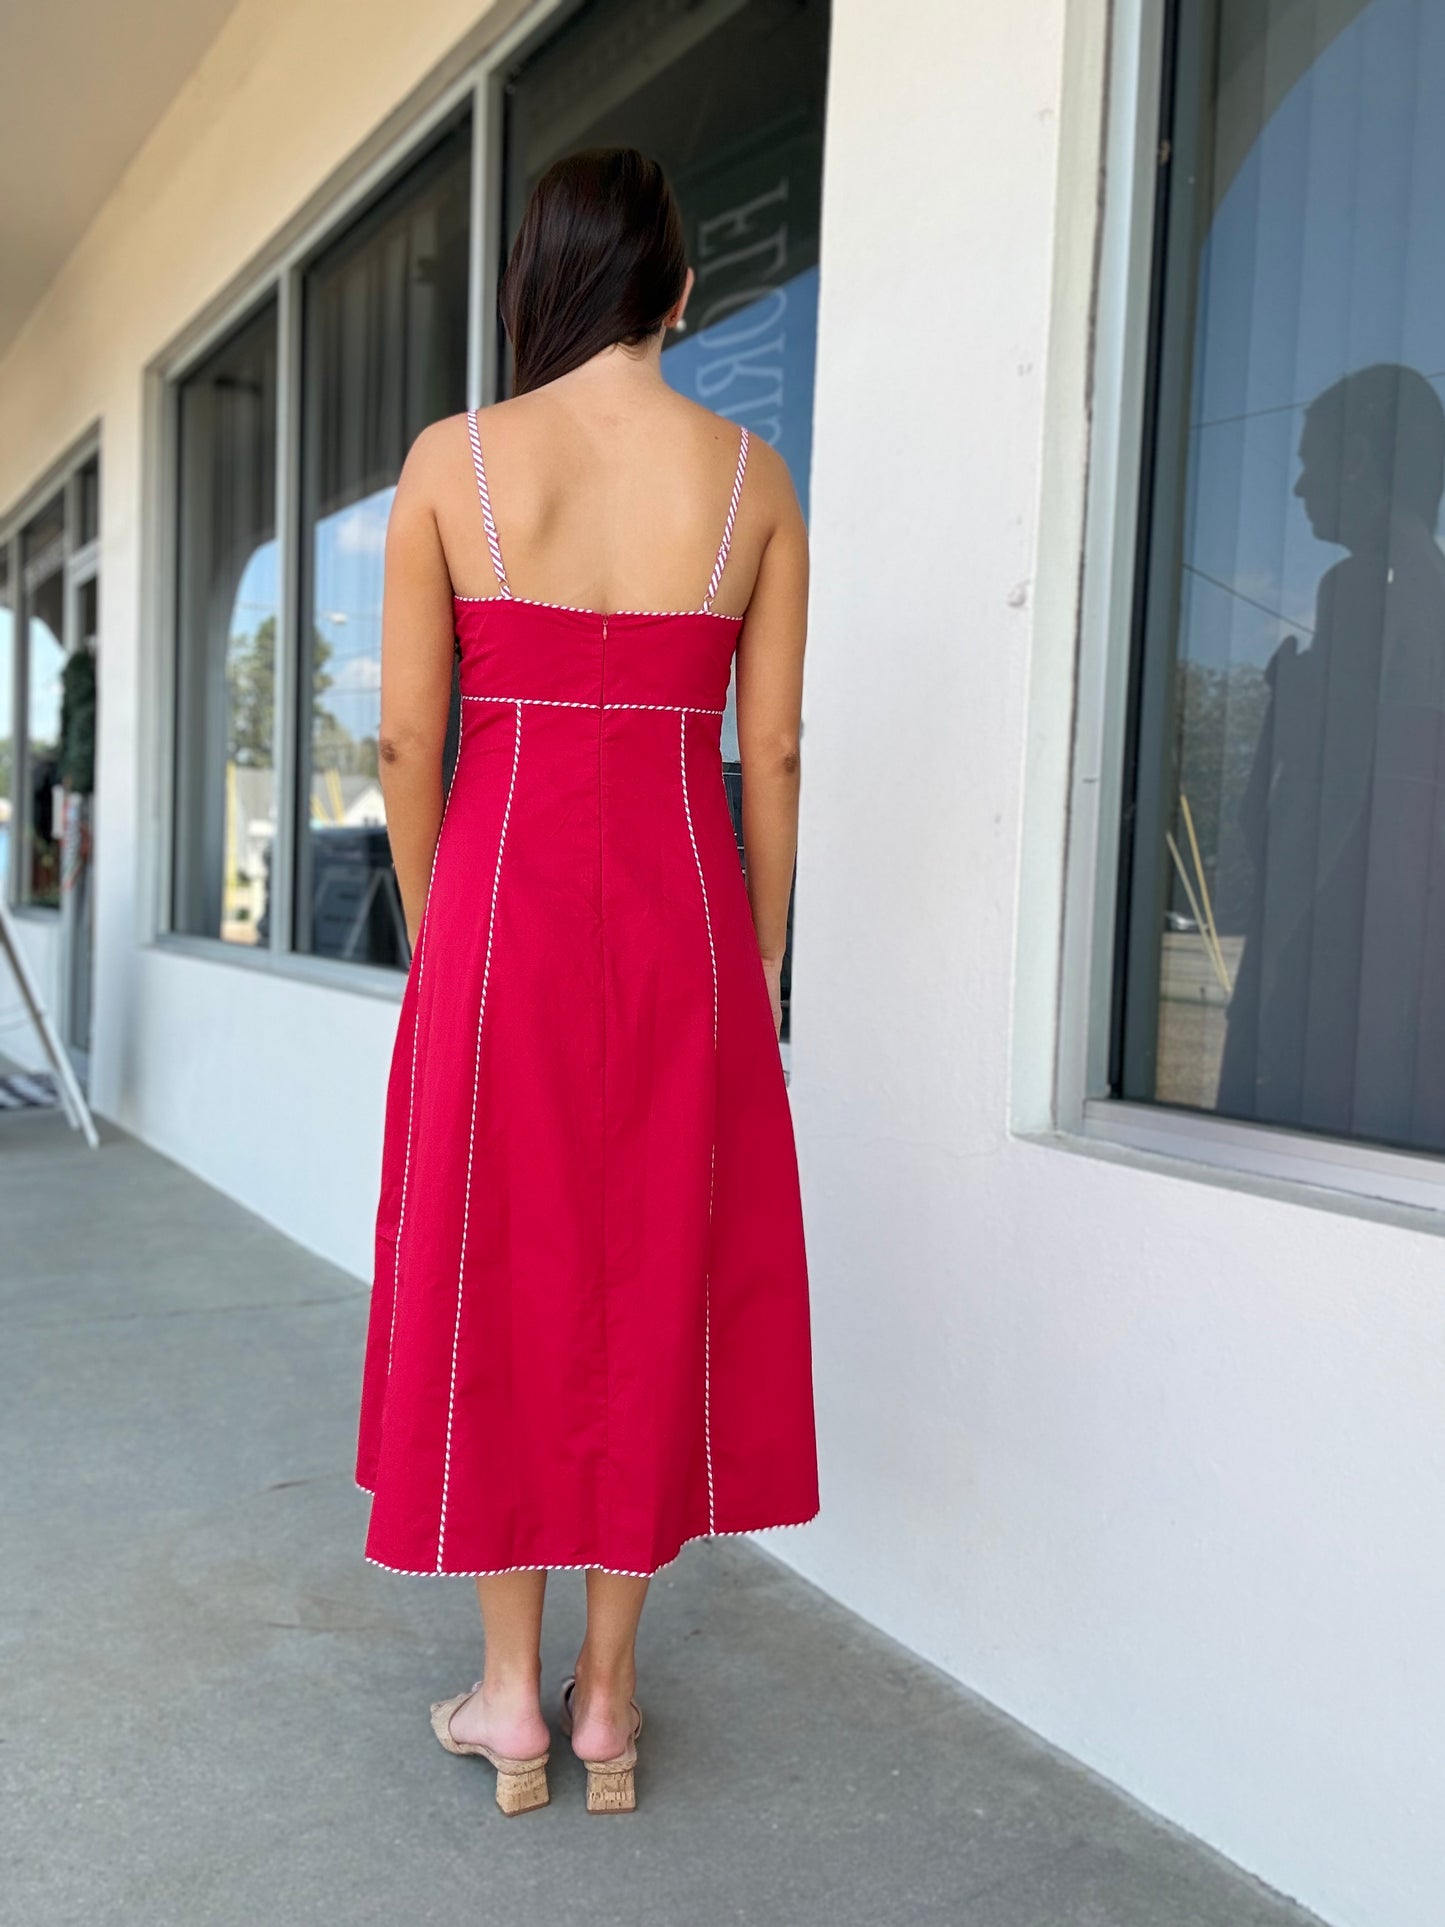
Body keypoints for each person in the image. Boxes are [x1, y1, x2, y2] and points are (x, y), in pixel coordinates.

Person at [354, 147, 819, 1817]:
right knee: (656, 1267)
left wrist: (437, 924)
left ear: (535, 286)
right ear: (678, 291)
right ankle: (609, 1700)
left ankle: (508, 1699)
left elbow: (410, 736)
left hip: (500, 918)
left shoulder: (450, 464)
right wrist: (753, 959)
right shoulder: (755, 477)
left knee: (502, 1263)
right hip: (687, 921)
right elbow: (765, 749)